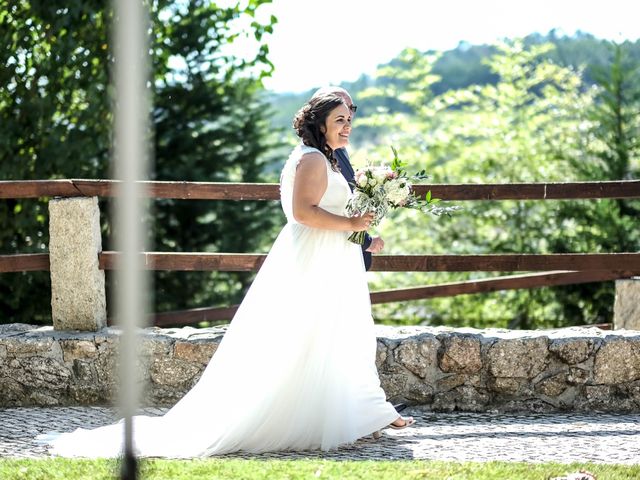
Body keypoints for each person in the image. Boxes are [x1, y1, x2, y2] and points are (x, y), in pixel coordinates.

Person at [36, 92, 414, 458]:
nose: (347, 126)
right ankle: (298, 415)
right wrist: (351, 221)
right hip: (314, 261)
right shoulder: (313, 160)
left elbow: (327, 214)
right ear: (320, 123)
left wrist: (360, 235)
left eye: (349, 119)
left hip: (331, 258)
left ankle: (362, 412)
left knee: (338, 335)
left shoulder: (328, 158)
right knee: (307, 338)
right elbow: (304, 213)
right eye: (339, 120)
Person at [310, 86, 384, 271]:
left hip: (341, 244)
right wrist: (364, 240)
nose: (348, 116)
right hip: (324, 248)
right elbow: (320, 207)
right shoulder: (313, 157)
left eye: (351, 109)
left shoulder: (337, 148)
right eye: (340, 113)